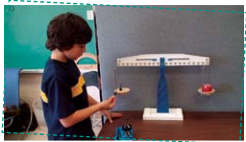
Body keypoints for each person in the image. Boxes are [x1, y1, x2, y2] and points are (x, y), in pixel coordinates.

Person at [40, 12, 122, 140]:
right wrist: (99, 106)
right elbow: (67, 120)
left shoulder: (68, 62)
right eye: (81, 46)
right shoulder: (56, 77)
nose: (84, 50)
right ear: (64, 44)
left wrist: (102, 108)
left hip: (82, 132)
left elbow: (79, 92)